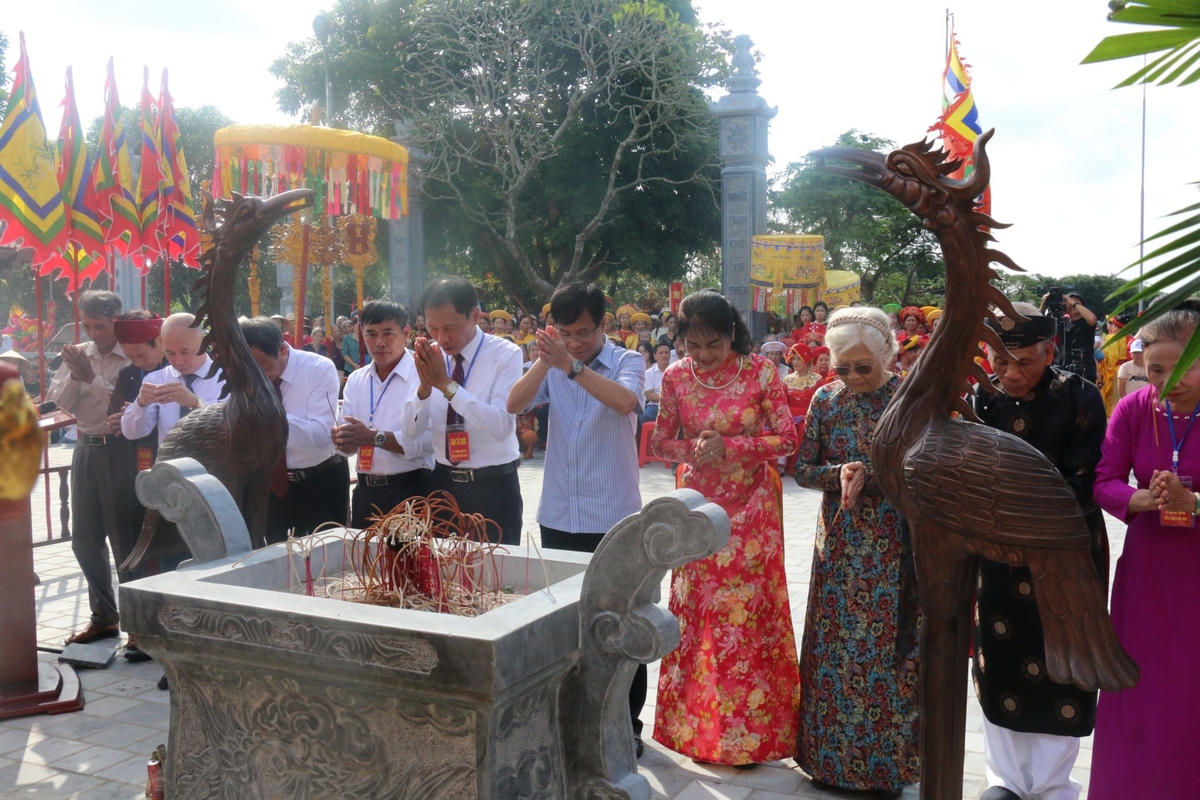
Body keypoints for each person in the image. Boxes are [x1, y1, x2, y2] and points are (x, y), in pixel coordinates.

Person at [649, 289, 800, 766]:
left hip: (753, 512)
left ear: (732, 332)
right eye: (693, 346)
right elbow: (660, 443)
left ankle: (753, 738)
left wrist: (732, 447)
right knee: (699, 615)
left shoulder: (761, 372)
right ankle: (698, 734)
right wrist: (694, 449)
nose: (703, 356)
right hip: (697, 510)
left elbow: (787, 437)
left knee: (748, 619)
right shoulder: (675, 377)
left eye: (712, 344)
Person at [971, 302, 1109, 800]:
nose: (1008, 374)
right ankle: (1004, 781)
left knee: (1062, 660)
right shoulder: (979, 400)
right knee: (1000, 651)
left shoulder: (1079, 397)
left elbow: (1085, 479)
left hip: (1065, 552)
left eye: (1023, 362)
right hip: (998, 550)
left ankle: (1053, 787)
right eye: (998, 361)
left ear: (1049, 351)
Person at [506, 282, 648, 751]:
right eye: (566, 333)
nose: (575, 340)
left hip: (614, 514)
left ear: (603, 326)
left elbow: (626, 403)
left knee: (623, 621)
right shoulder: (555, 360)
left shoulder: (629, 361)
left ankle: (627, 726)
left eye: (583, 332)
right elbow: (514, 404)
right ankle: (570, 720)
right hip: (561, 511)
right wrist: (548, 362)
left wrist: (572, 366)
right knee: (566, 622)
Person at [792, 306, 919, 795]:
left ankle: (886, 769)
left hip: (893, 547)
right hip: (840, 547)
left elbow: (929, 466)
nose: (851, 377)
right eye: (841, 366)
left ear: (888, 353)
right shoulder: (826, 400)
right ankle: (827, 764)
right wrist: (840, 472)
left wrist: (877, 475)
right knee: (832, 654)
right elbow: (804, 468)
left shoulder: (909, 398)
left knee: (887, 656)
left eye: (863, 366)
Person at [1087, 304, 1200, 800]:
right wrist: (1143, 499)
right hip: (1148, 575)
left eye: (1184, 367)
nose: (1167, 381)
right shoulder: (1134, 409)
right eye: (1156, 370)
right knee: (1140, 690)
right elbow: (1103, 481)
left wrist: (1192, 501)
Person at [407, 277, 524, 545]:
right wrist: (424, 389)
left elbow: (501, 426)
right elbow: (410, 432)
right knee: (443, 576)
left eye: (450, 328)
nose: (442, 338)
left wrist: (446, 386)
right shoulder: (431, 356)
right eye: (433, 328)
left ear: (474, 316)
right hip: (443, 484)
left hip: (492, 485)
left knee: (496, 577)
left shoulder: (505, 355)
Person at [46, 290, 131, 645]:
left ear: (117, 321)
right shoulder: (79, 355)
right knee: (85, 540)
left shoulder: (132, 356)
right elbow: (60, 404)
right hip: (85, 448)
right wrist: (76, 377)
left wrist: (93, 380)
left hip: (122, 452)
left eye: (101, 325)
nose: (94, 333)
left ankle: (139, 622)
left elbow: (124, 402)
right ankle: (104, 616)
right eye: (88, 326)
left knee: (126, 540)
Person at [240, 317, 347, 543]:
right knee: (279, 559)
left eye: (265, 366)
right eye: (251, 368)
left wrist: (269, 414)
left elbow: (320, 435)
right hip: (272, 484)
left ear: (282, 348)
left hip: (320, 479)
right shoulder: (245, 376)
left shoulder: (318, 369)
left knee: (326, 561)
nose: (259, 376)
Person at [333, 301, 433, 529]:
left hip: (411, 489)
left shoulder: (424, 374)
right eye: (371, 334)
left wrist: (372, 437)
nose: (379, 343)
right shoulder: (356, 380)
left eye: (388, 333)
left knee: (410, 563)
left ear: (406, 333)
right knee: (366, 562)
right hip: (366, 491)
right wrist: (342, 439)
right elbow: (349, 445)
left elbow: (427, 442)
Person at [121, 313, 227, 447]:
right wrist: (141, 404)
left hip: (213, 465)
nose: (178, 361)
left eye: (185, 352)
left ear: (204, 342)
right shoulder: (157, 379)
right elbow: (132, 433)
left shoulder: (227, 378)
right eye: (170, 353)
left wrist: (196, 404)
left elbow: (231, 430)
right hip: (170, 464)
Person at [1043, 292, 1097, 383]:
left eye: (1076, 302)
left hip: (1084, 370)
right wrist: (1043, 304)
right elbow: (1040, 326)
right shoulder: (1062, 322)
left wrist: (1072, 302)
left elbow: (1092, 319)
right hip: (1064, 369)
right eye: (1066, 301)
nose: (1071, 303)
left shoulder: (1086, 322)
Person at [1095, 316, 1128, 415]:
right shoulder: (1115, 337)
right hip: (1108, 369)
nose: (1107, 325)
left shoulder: (1115, 338)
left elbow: (1113, 357)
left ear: (1115, 326)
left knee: (1112, 396)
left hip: (1112, 370)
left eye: (1110, 323)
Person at [641, 342, 670, 424]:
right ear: (655, 356)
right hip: (655, 406)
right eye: (661, 353)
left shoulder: (676, 371)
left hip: (674, 405)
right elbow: (650, 396)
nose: (664, 355)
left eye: (667, 352)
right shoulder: (648, 373)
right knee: (645, 416)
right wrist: (669, 398)